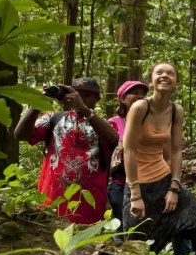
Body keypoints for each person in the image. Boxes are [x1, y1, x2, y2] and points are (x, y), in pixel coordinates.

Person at [122, 62, 196, 255]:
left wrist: (174, 185)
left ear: (177, 84)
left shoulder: (175, 111)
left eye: (170, 73)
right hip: (138, 183)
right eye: (159, 73)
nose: (164, 76)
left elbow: (176, 149)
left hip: (163, 178)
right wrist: (135, 194)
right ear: (151, 81)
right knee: (137, 248)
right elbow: (129, 150)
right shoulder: (140, 107)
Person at [14, 78, 118, 224]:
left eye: (86, 95)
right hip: (52, 202)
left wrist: (83, 109)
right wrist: (37, 102)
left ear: (97, 99)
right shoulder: (53, 118)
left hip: (89, 204)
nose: (79, 98)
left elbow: (113, 138)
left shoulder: (104, 124)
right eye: (75, 94)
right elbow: (20, 135)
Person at [107, 80, 149, 237]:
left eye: (143, 94)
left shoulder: (151, 122)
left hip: (147, 181)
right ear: (122, 98)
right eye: (135, 92)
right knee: (121, 229)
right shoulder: (114, 123)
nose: (140, 96)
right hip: (120, 183)